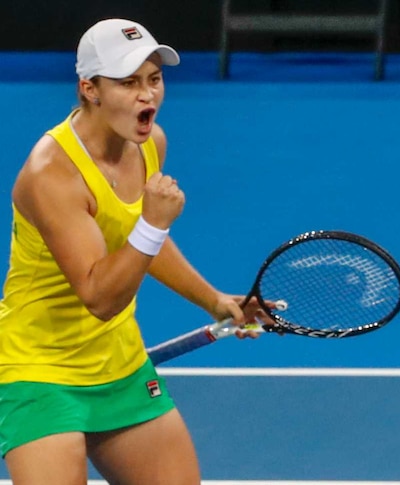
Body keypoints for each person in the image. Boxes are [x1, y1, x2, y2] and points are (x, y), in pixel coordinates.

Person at [0, 18, 268, 484]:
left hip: (119, 363)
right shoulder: (51, 174)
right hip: (37, 371)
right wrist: (153, 221)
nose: (148, 96)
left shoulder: (149, 145)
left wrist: (214, 300)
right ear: (90, 88)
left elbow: (135, 242)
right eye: (128, 83)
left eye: (154, 79)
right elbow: (101, 297)